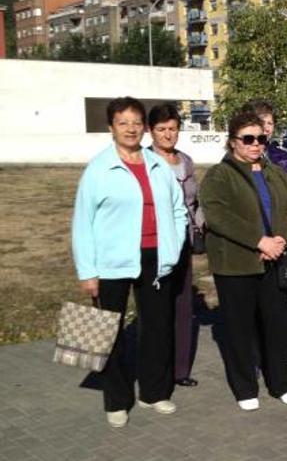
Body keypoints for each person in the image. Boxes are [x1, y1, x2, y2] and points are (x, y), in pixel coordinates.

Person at [71, 96, 187, 428]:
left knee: (157, 328)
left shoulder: (157, 166)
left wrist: (174, 246)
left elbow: (178, 210)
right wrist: (87, 271)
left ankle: (154, 392)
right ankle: (116, 400)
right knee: (108, 332)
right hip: (111, 262)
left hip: (156, 260)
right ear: (111, 128)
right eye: (123, 122)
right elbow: (83, 222)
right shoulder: (98, 169)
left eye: (136, 122)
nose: (131, 128)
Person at [199, 112, 287, 411]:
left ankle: (282, 383)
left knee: (277, 326)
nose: (256, 144)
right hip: (236, 265)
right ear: (233, 142)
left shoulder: (274, 172)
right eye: (248, 139)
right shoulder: (220, 175)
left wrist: (282, 238)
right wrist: (259, 240)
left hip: (274, 261)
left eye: (261, 138)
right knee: (240, 329)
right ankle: (245, 387)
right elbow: (218, 215)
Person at [147, 103, 204, 388]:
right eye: (161, 129)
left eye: (173, 129)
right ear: (151, 131)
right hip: (154, 243)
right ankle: (158, 368)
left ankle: (180, 370)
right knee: (158, 308)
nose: (168, 135)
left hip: (183, 241)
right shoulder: (144, 162)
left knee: (183, 306)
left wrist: (204, 227)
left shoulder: (186, 161)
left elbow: (195, 202)